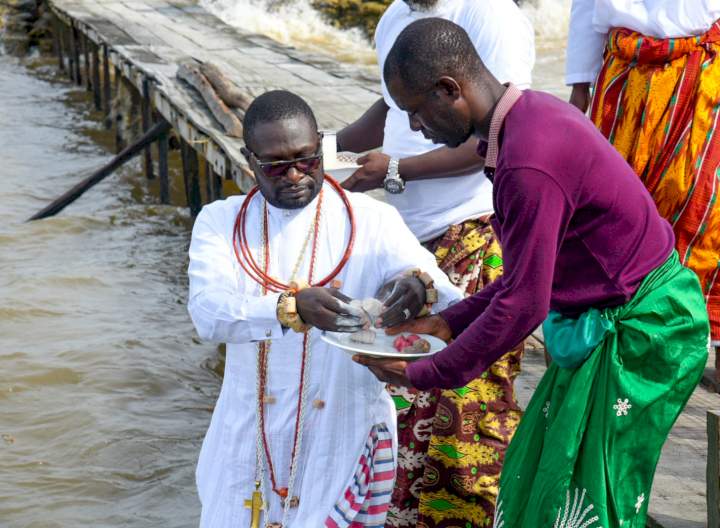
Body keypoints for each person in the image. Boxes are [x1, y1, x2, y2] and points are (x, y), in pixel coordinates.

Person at [355, 18, 709, 527]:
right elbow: (523, 281)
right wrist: (448, 324)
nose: (415, 129)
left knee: (587, 504)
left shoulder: (527, 161)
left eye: (415, 112)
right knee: (539, 482)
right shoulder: (526, 118)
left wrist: (428, 372)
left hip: (644, 333)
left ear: (449, 90)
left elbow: (525, 304)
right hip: (603, 317)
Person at [187, 90, 461, 528]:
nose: (295, 175)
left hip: (341, 433)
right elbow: (208, 313)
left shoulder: (371, 220)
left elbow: (446, 294)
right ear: (249, 160)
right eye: (276, 166)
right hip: (248, 442)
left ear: (321, 148)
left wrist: (416, 287)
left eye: (307, 160)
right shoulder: (221, 222)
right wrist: (289, 307)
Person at [336, 2, 534, 526]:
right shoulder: (394, 19)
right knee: (405, 411)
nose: (415, 125)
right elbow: (384, 113)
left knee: (465, 418)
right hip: (412, 242)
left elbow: (494, 137)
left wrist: (398, 169)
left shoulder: (490, 17)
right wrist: (315, 150)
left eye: (421, 116)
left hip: (477, 227)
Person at [567, 1, 720, 362]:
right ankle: (625, 334)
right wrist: (579, 84)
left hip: (703, 70)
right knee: (616, 212)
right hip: (624, 76)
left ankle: (705, 335)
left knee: (705, 209)